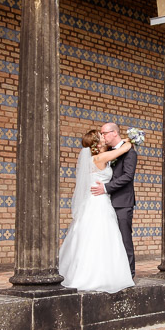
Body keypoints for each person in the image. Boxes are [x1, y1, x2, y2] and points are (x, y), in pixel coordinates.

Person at [59, 130, 134, 293]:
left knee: (94, 237)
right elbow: (123, 149)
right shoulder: (99, 158)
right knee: (102, 237)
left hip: (97, 200)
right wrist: (130, 140)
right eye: (101, 137)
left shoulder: (97, 158)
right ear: (98, 144)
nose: (104, 138)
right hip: (99, 202)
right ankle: (98, 276)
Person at [91, 122, 138, 278]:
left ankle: (129, 274)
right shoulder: (109, 151)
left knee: (124, 238)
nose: (103, 136)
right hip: (105, 203)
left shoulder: (129, 152)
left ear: (114, 133)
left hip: (122, 202)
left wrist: (105, 188)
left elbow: (127, 177)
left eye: (104, 133)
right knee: (110, 239)